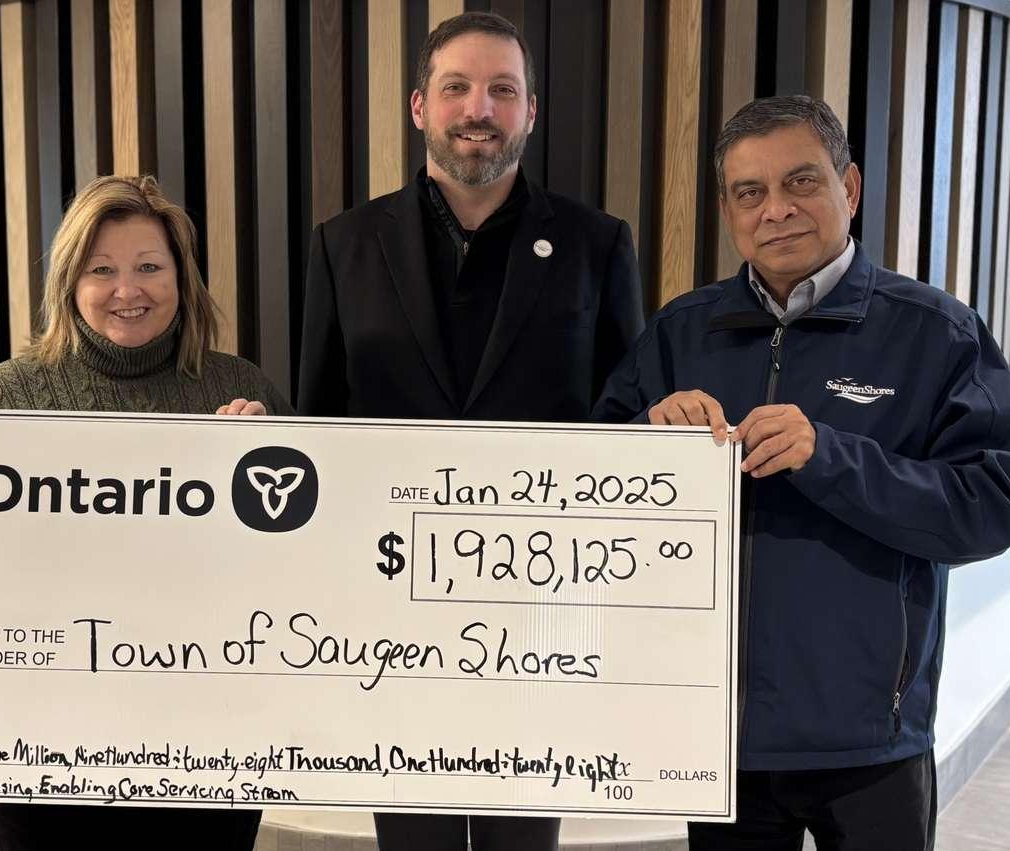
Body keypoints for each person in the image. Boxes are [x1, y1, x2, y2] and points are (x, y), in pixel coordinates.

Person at [594, 95, 1010, 850]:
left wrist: (830, 455)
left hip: (870, 742)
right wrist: (645, 440)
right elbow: (587, 487)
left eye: (802, 183)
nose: (776, 210)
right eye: (750, 193)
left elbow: (990, 507)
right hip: (719, 737)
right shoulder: (680, 333)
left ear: (848, 188)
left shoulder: (936, 333)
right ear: (728, 211)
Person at [298, 11, 643, 850]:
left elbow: (630, 426)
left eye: (501, 90)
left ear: (531, 111)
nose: (477, 108)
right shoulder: (343, 245)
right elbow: (319, 425)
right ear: (420, 106)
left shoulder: (599, 247)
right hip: (389, 615)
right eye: (456, 87)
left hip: (542, 616)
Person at [0, 175, 288, 849]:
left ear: (182, 277)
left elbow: (301, 564)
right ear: (69, 283)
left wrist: (264, 468)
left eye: (149, 266)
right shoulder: (8, 398)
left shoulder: (241, 388)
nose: (127, 289)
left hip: (208, 743)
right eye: (102, 269)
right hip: (39, 747)